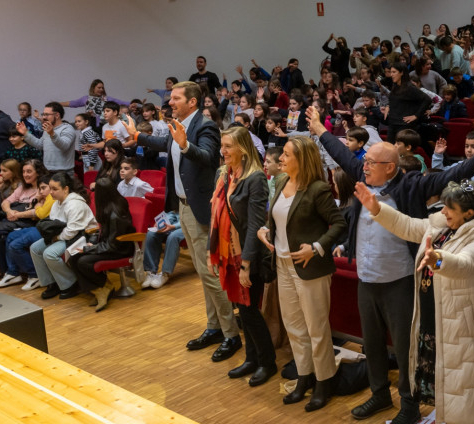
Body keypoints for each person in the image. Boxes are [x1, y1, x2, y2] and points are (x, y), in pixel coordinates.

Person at [307, 105, 474, 424]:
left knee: (405, 348)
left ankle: (409, 407)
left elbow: (449, 177)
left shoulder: (411, 185)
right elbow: (342, 156)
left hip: (399, 281)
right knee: (371, 343)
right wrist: (318, 129)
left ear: (389, 166)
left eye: (370, 162)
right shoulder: (363, 176)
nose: (363, 165)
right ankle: (379, 395)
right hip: (367, 279)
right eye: (365, 161)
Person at [354, 178, 474, 424]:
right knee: (444, 385)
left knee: (463, 390)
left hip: (463, 326)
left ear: (469, 213)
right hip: (435, 317)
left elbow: (465, 264)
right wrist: (378, 209)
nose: (442, 212)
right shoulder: (443, 226)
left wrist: (438, 261)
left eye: (449, 209)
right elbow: (409, 226)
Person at [122, 81, 240, 359]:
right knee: (203, 271)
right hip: (183, 207)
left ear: (192, 102)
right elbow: (165, 143)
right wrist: (138, 136)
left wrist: (186, 146)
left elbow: (210, 157)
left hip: (201, 208)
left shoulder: (205, 126)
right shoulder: (177, 126)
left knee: (209, 272)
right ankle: (214, 327)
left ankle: (231, 333)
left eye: (176, 98)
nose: (170, 102)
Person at [254, 136, 346, 410]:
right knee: (294, 327)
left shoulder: (317, 189)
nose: (280, 158)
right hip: (282, 264)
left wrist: (316, 248)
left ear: (301, 159)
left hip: (310, 267)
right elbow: (279, 219)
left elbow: (339, 224)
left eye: (286, 154)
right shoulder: (281, 182)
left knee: (316, 328)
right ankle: (305, 377)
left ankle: (324, 382)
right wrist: (265, 230)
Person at [208, 126, 276, 385]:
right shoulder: (225, 174)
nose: (222, 151)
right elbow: (215, 216)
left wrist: (246, 264)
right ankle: (251, 359)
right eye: (222, 146)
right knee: (242, 310)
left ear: (243, 149)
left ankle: (267, 362)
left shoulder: (255, 178)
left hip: (248, 255)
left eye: (228, 146)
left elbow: (255, 226)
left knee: (249, 311)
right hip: (229, 252)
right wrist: (210, 252)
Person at [66, 176, 135, 311]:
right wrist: (92, 245)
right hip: (109, 245)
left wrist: (89, 249)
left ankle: (104, 288)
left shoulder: (115, 214)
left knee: (83, 261)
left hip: (120, 248)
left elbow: (113, 245)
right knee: (73, 258)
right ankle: (100, 289)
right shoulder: (109, 206)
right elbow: (105, 235)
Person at [28, 172, 97, 300]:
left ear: (66, 189)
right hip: (63, 235)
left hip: (81, 237)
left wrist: (56, 238)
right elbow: (55, 224)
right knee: (35, 248)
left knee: (49, 253)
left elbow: (72, 231)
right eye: (51, 188)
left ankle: (71, 284)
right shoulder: (56, 203)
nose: (51, 192)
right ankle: (52, 283)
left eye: (55, 189)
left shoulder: (75, 204)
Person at [1, 174, 54, 290]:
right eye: (39, 189)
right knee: (10, 236)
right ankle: (13, 272)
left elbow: (40, 214)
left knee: (15, 245)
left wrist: (39, 204)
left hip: (47, 230)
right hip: (39, 227)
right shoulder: (44, 197)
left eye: (44, 188)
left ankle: (35, 275)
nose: (41, 191)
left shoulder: (51, 197)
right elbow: (33, 211)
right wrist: (37, 200)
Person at [20, 102, 76, 176]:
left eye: (47, 114)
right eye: (43, 114)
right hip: (47, 171)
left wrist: (52, 134)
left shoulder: (67, 128)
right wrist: (26, 133)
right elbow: (40, 145)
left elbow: (64, 146)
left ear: (57, 115)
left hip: (64, 173)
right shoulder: (48, 129)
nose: (43, 117)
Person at [60, 79, 129, 125]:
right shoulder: (86, 98)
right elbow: (73, 103)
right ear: (93, 88)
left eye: (102, 88)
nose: (101, 89)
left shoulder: (107, 99)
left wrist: (135, 103)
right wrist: (58, 104)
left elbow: (121, 102)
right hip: (89, 124)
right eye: (99, 88)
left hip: (103, 124)